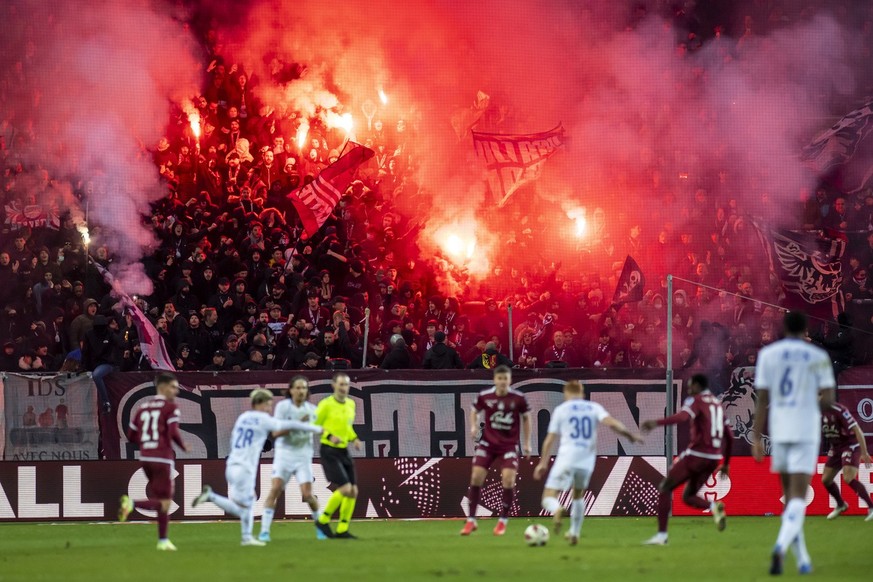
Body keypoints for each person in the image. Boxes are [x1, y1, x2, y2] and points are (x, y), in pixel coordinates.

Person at [751, 312, 836, 575]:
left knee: (789, 499)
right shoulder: (818, 356)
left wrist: (755, 436)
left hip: (780, 427)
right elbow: (828, 401)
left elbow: (761, 398)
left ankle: (802, 560)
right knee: (798, 498)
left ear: (783, 328)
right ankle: (780, 546)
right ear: (806, 329)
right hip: (805, 428)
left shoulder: (769, 355)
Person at [192, 389, 322, 546]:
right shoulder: (263, 419)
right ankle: (211, 497)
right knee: (243, 508)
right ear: (260, 404)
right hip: (244, 467)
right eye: (268, 404)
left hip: (232, 463)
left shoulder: (243, 418)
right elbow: (282, 427)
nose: (269, 408)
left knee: (248, 504)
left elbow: (237, 437)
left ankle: (246, 537)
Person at [534, 380, 641, 544]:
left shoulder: (561, 410)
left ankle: (557, 509)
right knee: (578, 496)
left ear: (566, 393)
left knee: (548, 497)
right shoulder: (593, 408)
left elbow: (549, 439)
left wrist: (542, 463)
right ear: (582, 393)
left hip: (567, 456)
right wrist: (629, 435)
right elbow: (611, 423)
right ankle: (574, 533)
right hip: (586, 460)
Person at [640, 374, 732, 545]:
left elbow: (682, 417)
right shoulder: (718, 405)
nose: (689, 390)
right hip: (713, 459)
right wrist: (726, 464)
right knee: (688, 497)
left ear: (697, 386)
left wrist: (657, 422)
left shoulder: (696, 401)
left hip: (696, 455)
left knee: (665, 488)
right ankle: (714, 507)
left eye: (690, 386)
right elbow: (730, 436)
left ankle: (661, 536)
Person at [119, 373, 190, 551]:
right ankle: (132, 504)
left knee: (160, 500)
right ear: (163, 387)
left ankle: (163, 541)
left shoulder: (143, 408)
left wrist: (147, 442)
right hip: (162, 458)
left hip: (145, 457)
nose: (176, 391)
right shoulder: (170, 407)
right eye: (173, 387)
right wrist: (183, 446)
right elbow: (173, 432)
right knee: (165, 502)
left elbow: (131, 436)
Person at [461, 365, 531, 537]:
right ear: (495, 380)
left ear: (509, 380)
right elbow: (474, 410)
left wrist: (527, 443)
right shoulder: (485, 396)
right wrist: (473, 426)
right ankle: (471, 520)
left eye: (505, 379)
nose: (502, 382)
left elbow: (527, 418)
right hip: (488, 444)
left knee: (508, 480)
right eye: (499, 379)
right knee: (476, 476)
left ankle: (502, 521)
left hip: (508, 445)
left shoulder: (518, 398)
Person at [259, 376, 324, 542]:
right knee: (275, 490)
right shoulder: (282, 407)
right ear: (291, 390)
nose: (301, 391)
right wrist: (296, 424)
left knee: (308, 495)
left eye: (304, 388)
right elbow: (276, 433)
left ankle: (321, 529)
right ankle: (265, 531)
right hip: (284, 457)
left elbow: (318, 430)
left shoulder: (312, 409)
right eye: (298, 388)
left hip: (303, 457)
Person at [313, 373, 362, 539]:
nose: (343, 388)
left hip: (343, 450)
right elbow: (314, 425)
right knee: (345, 488)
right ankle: (323, 519)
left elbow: (347, 427)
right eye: (340, 385)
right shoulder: (325, 404)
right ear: (334, 386)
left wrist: (354, 438)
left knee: (353, 491)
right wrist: (328, 436)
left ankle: (342, 529)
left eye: (346, 385)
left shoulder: (351, 404)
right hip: (329, 451)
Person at [819, 398, 873, 521]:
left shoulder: (839, 410)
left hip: (850, 445)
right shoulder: (816, 411)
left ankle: (871, 507)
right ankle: (841, 504)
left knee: (848, 478)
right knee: (826, 480)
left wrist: (864, 452)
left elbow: (857, 430)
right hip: (836, 447)